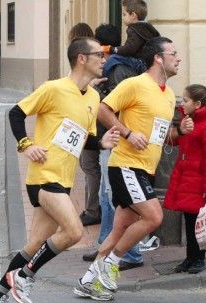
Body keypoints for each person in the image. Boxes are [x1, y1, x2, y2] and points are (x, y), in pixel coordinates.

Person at [0, 37, 120, 303]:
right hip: (44, 176)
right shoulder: (53, 89)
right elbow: (16, 113)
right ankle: (24, 277)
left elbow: (83, 138)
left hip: (64, 179)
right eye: (99, 54)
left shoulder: (93, 97)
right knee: (74, 231)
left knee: (34, 245)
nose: (104, 58)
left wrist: (101, 142)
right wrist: (25, 144)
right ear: (81, 58)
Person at [76, 37, 192, 298]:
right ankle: (110, 267)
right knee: (153, 217)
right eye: (173, 53)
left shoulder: (169, 94)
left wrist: (180, 132)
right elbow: (103, 109)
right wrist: (127, 134)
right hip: (126, 165)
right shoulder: (135, 84)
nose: (178, 58)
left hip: (145, 170)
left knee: (120, 230)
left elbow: (161, 136)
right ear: (158, 58)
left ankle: (88, 280)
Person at [82, 24, 144, 270]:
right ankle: (104, 245)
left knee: (117, 198)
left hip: (116, 140)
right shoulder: (117, 67)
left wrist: (95, 90)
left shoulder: (115, 69)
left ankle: (128, 252)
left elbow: (113, 107)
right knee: (108, 197)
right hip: (114, 139)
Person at [164, 84, 206, 274]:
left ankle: (199, 259)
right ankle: (190, 258)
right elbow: (174, 140)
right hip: (188, 181)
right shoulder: (189, 123)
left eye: (185, 100)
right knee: (190, 222)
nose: (182, 103)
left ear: (197, 104)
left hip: (200, 184)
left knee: (200, 222)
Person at [67, 22, 100, 227]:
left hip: (89, 124)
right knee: (89, 166)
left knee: (89, 166)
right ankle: (92, 208)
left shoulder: (88, 65)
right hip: (87, 124)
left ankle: (92, 209)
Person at [105, 0, 160, 75]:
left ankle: (103, 77)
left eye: (124, 14)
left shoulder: (134, 29)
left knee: (113, 58)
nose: (122, 18)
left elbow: (129, 49)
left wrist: (111, 49)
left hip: (140, 64)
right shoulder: (147, 28)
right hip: (150, 65)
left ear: (133, 15)